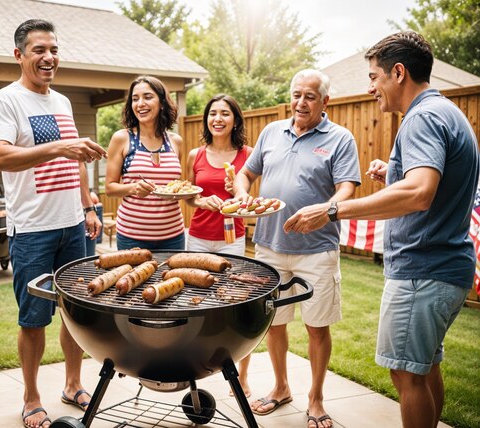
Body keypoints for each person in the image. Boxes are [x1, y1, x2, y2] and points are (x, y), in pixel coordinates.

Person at [284, 32, 479, 428]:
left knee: (406, 375)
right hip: (443, 266)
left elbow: (420, 192)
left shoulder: (422, 117)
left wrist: (332, 208)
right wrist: (393, 174)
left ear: (399, 72)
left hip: (422, 272)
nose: (370, 86)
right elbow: (426, 186)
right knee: (423, 369)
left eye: (374, 77)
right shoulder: (445, 112)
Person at [0, 19, 106, 428]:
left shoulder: (64, 102)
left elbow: (75, 160)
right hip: (33, 229)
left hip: (73, 223)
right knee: (34, 317)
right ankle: (31, 397)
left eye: (53, 49)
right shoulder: (7, 100)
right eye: (39, 50)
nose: (48, 57)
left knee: (75, 312)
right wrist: (58, 146)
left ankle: (73, 384)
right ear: (19, 55)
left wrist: (88, 205)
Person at [233, 69, 361, 427]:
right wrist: (242, 193)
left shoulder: (340, 138)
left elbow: (347, 187)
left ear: (325, 101)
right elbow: (246, 173)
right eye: (296, 95)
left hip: (317, 248)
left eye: (309, 96)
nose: (300, 102)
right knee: (275, 323)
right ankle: (280, 387)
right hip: (270, 245)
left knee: (317, 327)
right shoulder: (273, 132)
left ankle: (316, 398)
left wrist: (325, 210)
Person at [184, 93, 253, 396]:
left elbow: (248, 198)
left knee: (234, 303)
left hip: (231, 239)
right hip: (198, 237)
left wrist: (235, 194)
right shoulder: (195, 155)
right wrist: (203, 200)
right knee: (194, 302)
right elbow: (187, 196)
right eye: (213, 113)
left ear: (235, 119)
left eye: (225, 114)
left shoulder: (247, 155)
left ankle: (242, 376)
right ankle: (192, 370)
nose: (218, 119)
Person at [104, 75, 186, 251]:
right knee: (133, 279)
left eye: (147, 97)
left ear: (162, 102)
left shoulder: (175, 141)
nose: (140, 103)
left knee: (172, 279)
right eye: (135, 99)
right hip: (132, 236)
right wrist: (133, 188)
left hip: (173, 235)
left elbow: (176, 185)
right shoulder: (122, 138)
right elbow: (110, 188)